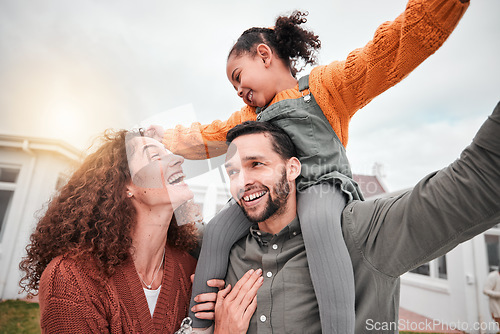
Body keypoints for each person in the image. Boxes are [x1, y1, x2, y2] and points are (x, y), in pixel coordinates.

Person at [147, 0, 470, 331]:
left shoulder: (324, 88)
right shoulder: (250, 116)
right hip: (270, 194)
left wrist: (435, 12)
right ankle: (198, 324)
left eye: (239, 77)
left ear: (264, 54)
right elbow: (209, 136)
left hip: (321, 187)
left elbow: (381, 57)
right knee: (216, 230)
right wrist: (168, 138)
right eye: (234, 87)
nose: (239, 90)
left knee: (316, 221)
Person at [207, 100, 500, 334]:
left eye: (256, 164)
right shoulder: (226, 251)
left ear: (293, 168)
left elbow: (476, 181)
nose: (242, 181)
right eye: (233, 172)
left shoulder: (358, 232)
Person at [19, 130, 207, 333]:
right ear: (126, 185)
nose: (178, 159)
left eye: (170, 153)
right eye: (155, 156)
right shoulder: (71, 278)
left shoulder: (191, 270)